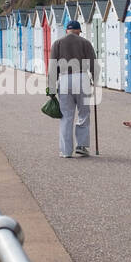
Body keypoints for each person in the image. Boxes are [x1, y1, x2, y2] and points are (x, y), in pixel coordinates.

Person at [49, 19, 96, 158]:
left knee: (66, 116)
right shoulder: (85, 43)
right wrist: (95, 80)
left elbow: (53, 67)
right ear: (79, 31)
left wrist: (51, 88)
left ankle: (66, 151)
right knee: (84, 113)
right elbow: (93, 64)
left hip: (64, 79)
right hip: (81, 78)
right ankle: (81, 146)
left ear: (66, 30)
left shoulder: (57, 43)